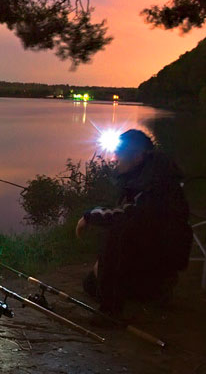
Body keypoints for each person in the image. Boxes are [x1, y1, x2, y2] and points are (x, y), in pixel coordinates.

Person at [75, 129, 192, 316]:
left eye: (120, 154)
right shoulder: (149, 176)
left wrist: (89, 217)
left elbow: (128, 216)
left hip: (159, 261)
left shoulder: (154, 186)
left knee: (118, 232)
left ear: (137, 157)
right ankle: (151, 293)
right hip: (155, 258)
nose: (114, 159)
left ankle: (112, 312)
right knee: (91, 283)